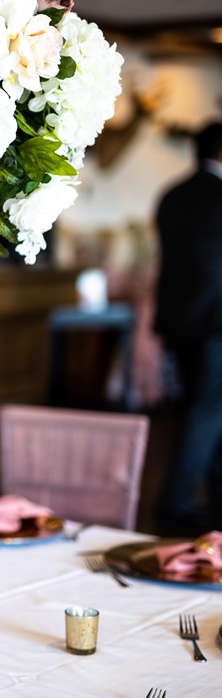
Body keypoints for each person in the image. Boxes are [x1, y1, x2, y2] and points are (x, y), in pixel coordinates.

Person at [153, 121, 222, 534]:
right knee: (206, 410)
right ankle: (175, 501)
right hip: (217, 320)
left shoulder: (172, 195)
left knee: (206, 408)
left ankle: (215, 492)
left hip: (179, 320)